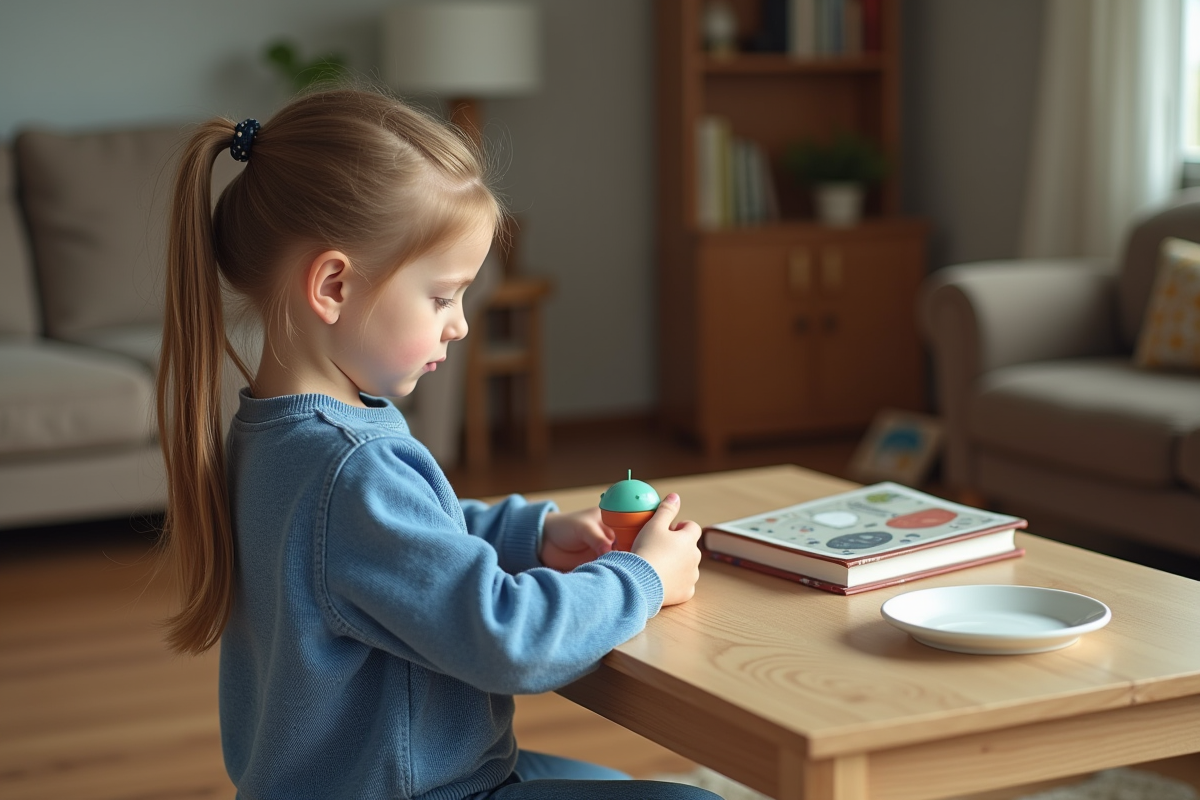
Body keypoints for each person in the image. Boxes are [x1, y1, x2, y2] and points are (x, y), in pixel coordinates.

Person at [155, 87, 715, 800]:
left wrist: (529, 535)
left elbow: (394, 547)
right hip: (427, 793)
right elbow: (511, 642)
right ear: (333, 285)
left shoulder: (279, 432)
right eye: (443, 295)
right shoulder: (349, 466)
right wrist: (646, 579)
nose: (460, 325)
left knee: (609, 781)